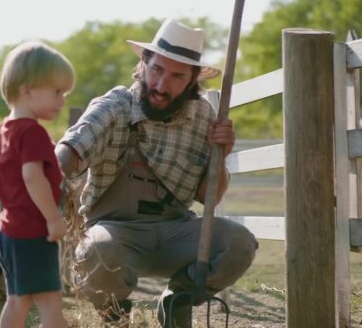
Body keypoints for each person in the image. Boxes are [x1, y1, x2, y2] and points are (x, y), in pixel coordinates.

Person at [55, 18, 258, 328]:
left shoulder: (205, 116)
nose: (162, 86)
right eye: (157, 71)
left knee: (240, 242)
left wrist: (222, 154)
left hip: (175, 230)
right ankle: (115, 316)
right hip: (114, 232)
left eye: (177, 76)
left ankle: (178, 301)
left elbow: (209, 199)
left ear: (192, 80)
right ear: (143, 64)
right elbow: (67, 152)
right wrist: (50, 175)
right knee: (96, 250)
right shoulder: (115, 105)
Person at [0, 41, 75, 328]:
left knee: (18, 300)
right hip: (33, 233)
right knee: (51, 305)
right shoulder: (33, 133)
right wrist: (53, 218)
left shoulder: (2, 130)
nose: (62, 100)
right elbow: (32, 176)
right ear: (27, 91)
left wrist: (8, 192)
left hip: (8, 232)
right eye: (57, 92)